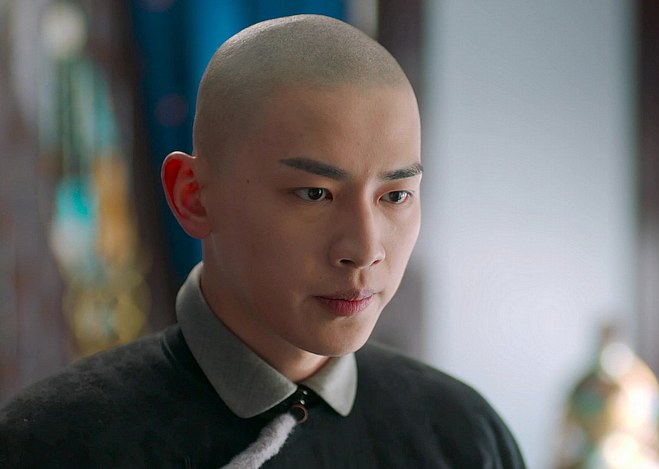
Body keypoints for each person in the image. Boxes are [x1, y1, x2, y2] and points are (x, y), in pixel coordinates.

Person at [0, 15, 525, 468]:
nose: (365, 249)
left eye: (396, 196)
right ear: (193, 197)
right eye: (315, 193)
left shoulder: (463, 435)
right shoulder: (52, 444)